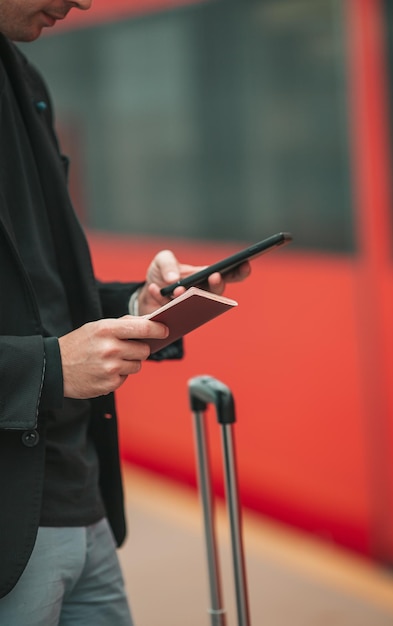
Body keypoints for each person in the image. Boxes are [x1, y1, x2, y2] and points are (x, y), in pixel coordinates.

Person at [0, 1, 250, 624]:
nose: (81, 0)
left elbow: (46, 285)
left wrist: (139, 305)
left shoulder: (25, 81)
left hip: (82, 503)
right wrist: (50, 369)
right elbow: (48, 348)